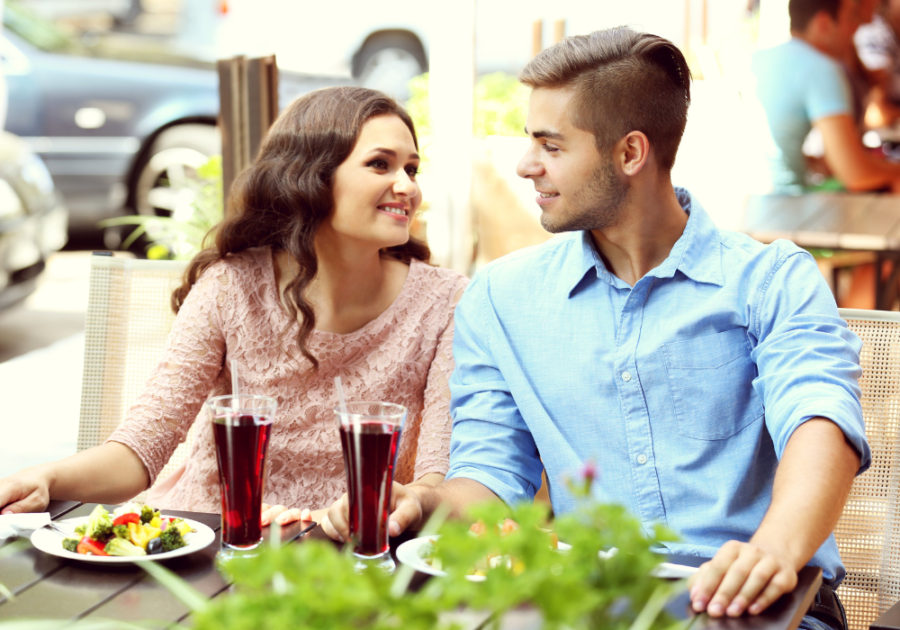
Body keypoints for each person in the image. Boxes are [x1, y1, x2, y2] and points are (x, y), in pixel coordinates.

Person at [327, 27, 870, 629]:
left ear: (630, 153)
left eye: (551, 146)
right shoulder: (500, 300)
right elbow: (491, 476)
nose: (526, 164)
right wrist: (423, 502)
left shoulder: (770, 279)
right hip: (588, 607)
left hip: (758, 606)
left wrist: (773, 549)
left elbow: (820, 422)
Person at [0, 87, 468, 529]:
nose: (406, 185)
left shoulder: (446, 302)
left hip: (357, 550)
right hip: (212, 538)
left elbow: (436, 473)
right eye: (380, 164)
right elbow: (141, 449)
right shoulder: (231, 286)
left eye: (411, 168)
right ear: (311, 177)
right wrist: (44, 478)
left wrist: (405, 504)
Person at [751, 0, 900, 192]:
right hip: (787, 205)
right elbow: (856, 175)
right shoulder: (821, 68)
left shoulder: (762, 57)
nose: (856, 28)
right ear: (824, 23)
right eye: (850, 18)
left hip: (752, 201)